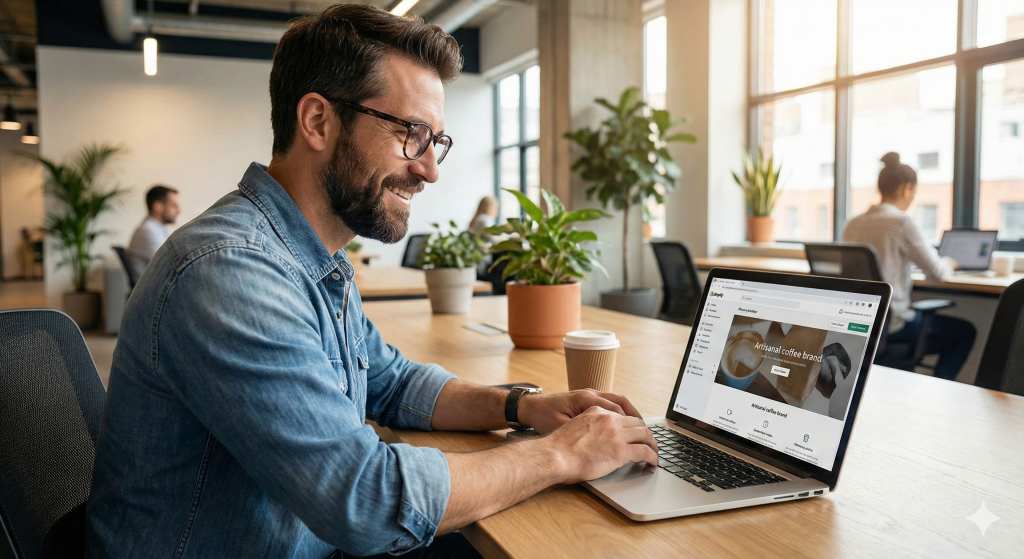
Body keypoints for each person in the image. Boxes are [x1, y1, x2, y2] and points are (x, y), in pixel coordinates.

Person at [85, 5, 657, 558]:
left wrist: (523, 408)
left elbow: (391, 383)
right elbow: (365, 500)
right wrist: (558, 455)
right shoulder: (229, 271)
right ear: (317, 121)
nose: (430, 169)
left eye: (437, 142)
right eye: (412, 133)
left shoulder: (313, 258)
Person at [842, 152, 976, 381]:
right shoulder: (902, 222)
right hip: (893, 326)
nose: (913, 197)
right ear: (906, 188)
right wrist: (950, 263)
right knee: (965, 332)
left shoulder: (852, 223)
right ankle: (943, 394)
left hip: (858, 322)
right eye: (914, 191)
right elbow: (938, 272)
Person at [126, 184, 180, 274]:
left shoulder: (154, 229)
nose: (179, 211)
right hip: (153, 287)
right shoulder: (148, 232)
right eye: (174, 206)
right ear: (158, 207)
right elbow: (170, 267)